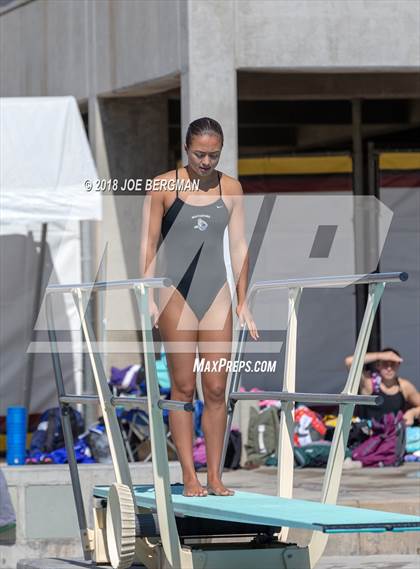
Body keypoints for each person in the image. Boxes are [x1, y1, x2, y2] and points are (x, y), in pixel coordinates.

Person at [140, 117, 258, 497]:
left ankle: (215, 475)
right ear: (186, 149)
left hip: (216, 293)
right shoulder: (163, 186)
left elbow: (239, 246)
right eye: (199, 154)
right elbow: (149, 242)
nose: (206, 161)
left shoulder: (232, 189)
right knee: (183, 387)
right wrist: (148, 295)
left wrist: (243, 300)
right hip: (176, 292)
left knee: (216, 387)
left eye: (213, 155)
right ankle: (189, 474)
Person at [344, 348, 420, 424]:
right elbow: (349, 362)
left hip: (394, 433)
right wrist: (379, 356)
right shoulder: (369, 383)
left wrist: (413, 413)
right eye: (385, 364)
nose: (389, 368)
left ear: (398, 365)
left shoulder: (404, 386)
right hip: (369, 433)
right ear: (378, 365)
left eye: (393, 364)